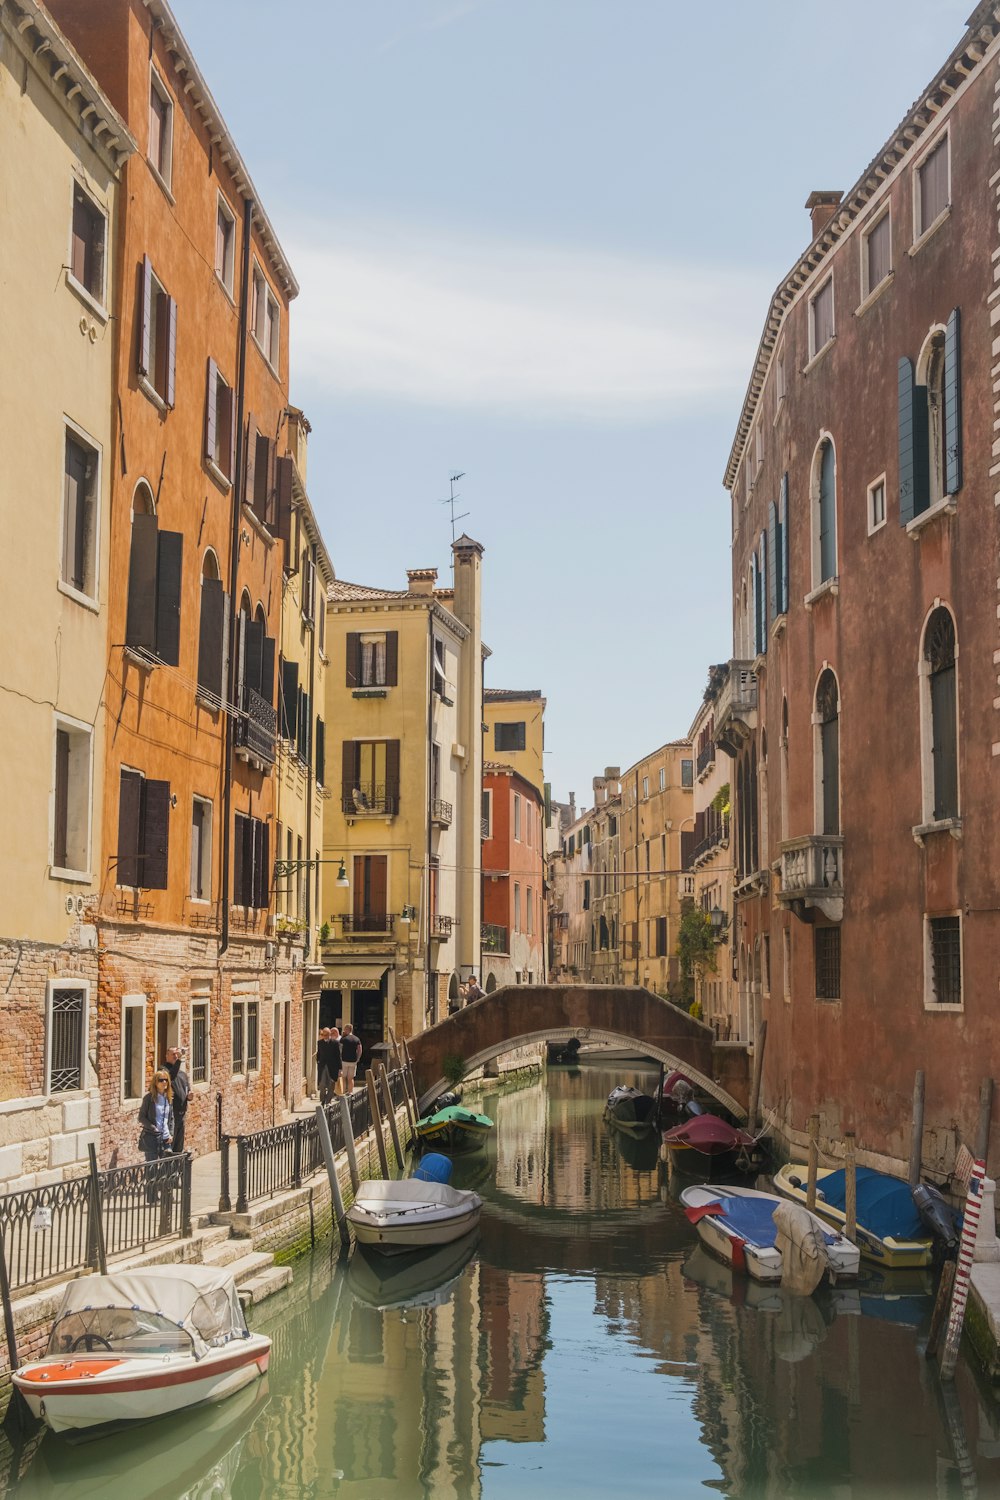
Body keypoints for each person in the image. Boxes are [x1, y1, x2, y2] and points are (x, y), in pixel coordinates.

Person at [138, 1069, 173, 1161]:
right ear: (155, 1083)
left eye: (166, 1080)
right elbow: (141, 1117)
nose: (164, 1082)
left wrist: (171, 1134)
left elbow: (171, 1118)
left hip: (166, 1139)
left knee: (167, 1168)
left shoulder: (168, 1099)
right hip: (152, 1137)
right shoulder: (149, 1098)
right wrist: (153, 1128)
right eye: (161, 1080)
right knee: (151, 1169)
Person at [164, 1045, 190, 1154]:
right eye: (173, 1054)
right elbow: (170, 1077)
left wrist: (189, 1095)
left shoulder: (183, 1074)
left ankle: (178, 1170)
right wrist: (179, 1059)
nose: (175, 1056)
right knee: (171, 1144)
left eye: (176, 1054)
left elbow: (187, 1089)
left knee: (179, 1145)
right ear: (167, 1056)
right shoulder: (164, 1070)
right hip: (172, 1114)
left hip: (182, 1113)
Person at [340, 1024, 362, 1093]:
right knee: (351, 1078)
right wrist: (358, 1058)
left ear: (347, 1029)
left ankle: (343, 1092)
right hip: (353, 1061)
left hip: (344, 1060)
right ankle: (350, 1092)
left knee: (343, 1078)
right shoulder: (356, 1039)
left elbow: (340, 1049)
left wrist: (340, 1058)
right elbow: (360, 1050)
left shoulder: (343, 1039)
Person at [317, 1028, 335, 1104]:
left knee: (331, 1084)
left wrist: (339, 1069)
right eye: (323, 1035)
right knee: (322, 1084)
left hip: (332, 1066)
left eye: (326, 1035)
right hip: (322, 1066)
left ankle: (328, 1100)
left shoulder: (334, 1043)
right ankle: (322, 1099)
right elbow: (319, 1053)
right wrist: (318, 1061)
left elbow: (337, 1056)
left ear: (330, 1035)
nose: (325, 1036)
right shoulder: (320, 1043)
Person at [328, 1027, 344, 1096]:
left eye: (331, 1033)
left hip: (339, 1060)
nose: (330, 1035)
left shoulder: (340, 1040)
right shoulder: (331, 1040)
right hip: (332, 1062)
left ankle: (338, 1091)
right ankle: (334, 1091)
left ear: (335, 1033)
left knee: (338, 1077)